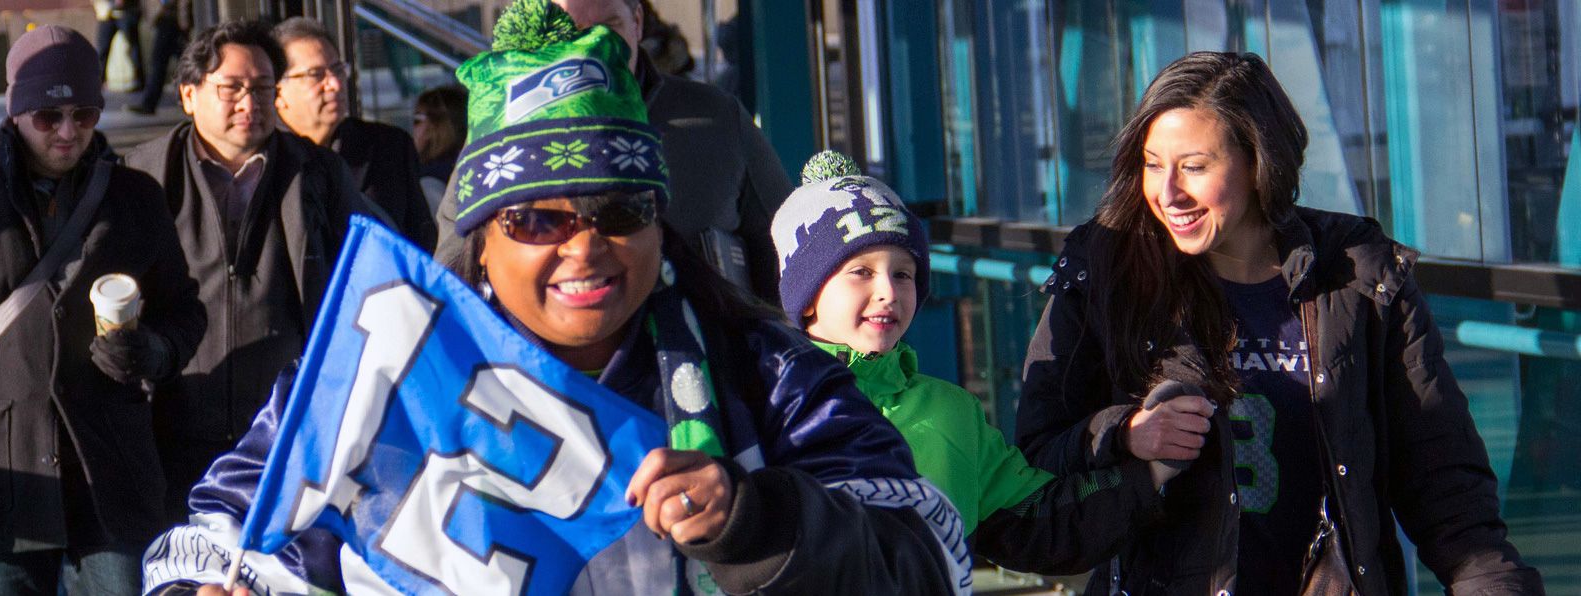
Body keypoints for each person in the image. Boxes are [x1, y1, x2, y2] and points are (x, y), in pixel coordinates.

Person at [143, 3, 969, 593]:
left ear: (660, 223)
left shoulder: (768, 378)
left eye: (619, 210)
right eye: (538, 218)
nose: (583, 245)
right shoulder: (372, 374)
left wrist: (759, 524)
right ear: (481, 240)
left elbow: (929, 556)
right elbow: (213, 537)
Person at [1015, 51, 1542, 594]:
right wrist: (1127, 439)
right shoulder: (1107, 275)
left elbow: (1445, 485)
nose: (1167, 193)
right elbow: (1033, 473)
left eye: (1194, 167)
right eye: (1152, 165)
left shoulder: (1359, 274)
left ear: (1259, 161)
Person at [0, 25, 205, 596]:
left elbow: (185, 311)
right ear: (15, 111)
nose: (69, 132)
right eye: (49, 118)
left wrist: (153, 350)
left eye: (85, 114)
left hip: (111, 479)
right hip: (1, 479)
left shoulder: (136, 196)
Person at [773, 150, 1168, 574]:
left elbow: (1040, 521)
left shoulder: (952, 412)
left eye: (903, 273)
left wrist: (1150, 474)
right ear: (808, 296)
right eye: (861, 272)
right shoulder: (768, 409)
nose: (888, 290)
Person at [121, 20, 382, 522]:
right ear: (189, 95)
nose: (250, 103)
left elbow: (380, 257)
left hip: (285, 431)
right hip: (170, 428)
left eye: (264, 88)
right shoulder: (142, 176)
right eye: (233, 88)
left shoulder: (317, 173)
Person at [431, 0, 792, 302]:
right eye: (572, 31)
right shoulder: (503, 133)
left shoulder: (715, 118)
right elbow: (452, 269)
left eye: (609, 26)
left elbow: (789, 246)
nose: (594, 46)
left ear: (637, 23)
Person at [270, 17, 435, 250]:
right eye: (316, 74)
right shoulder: (265, 161)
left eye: (338, 69)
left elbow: (422, 241)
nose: (335, 84)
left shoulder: (389, 147)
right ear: (278, 92)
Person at [129, 0, 192, 115]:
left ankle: (149, 103)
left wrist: (184, 22)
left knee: (161, 63)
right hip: (167, 20)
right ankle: (150, 102)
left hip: (172, 21)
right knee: (181, 61)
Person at [409, 84, 465, 211]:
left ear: (438, 124)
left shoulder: (428, 184)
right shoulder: (474, 167)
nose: (413, 129)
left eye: (417, 120)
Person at [95, 0, 145, 92]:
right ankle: (98, 83)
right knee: (102, 50)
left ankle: (140, 82)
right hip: (106, 13)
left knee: (133, 48)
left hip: (127, 11)